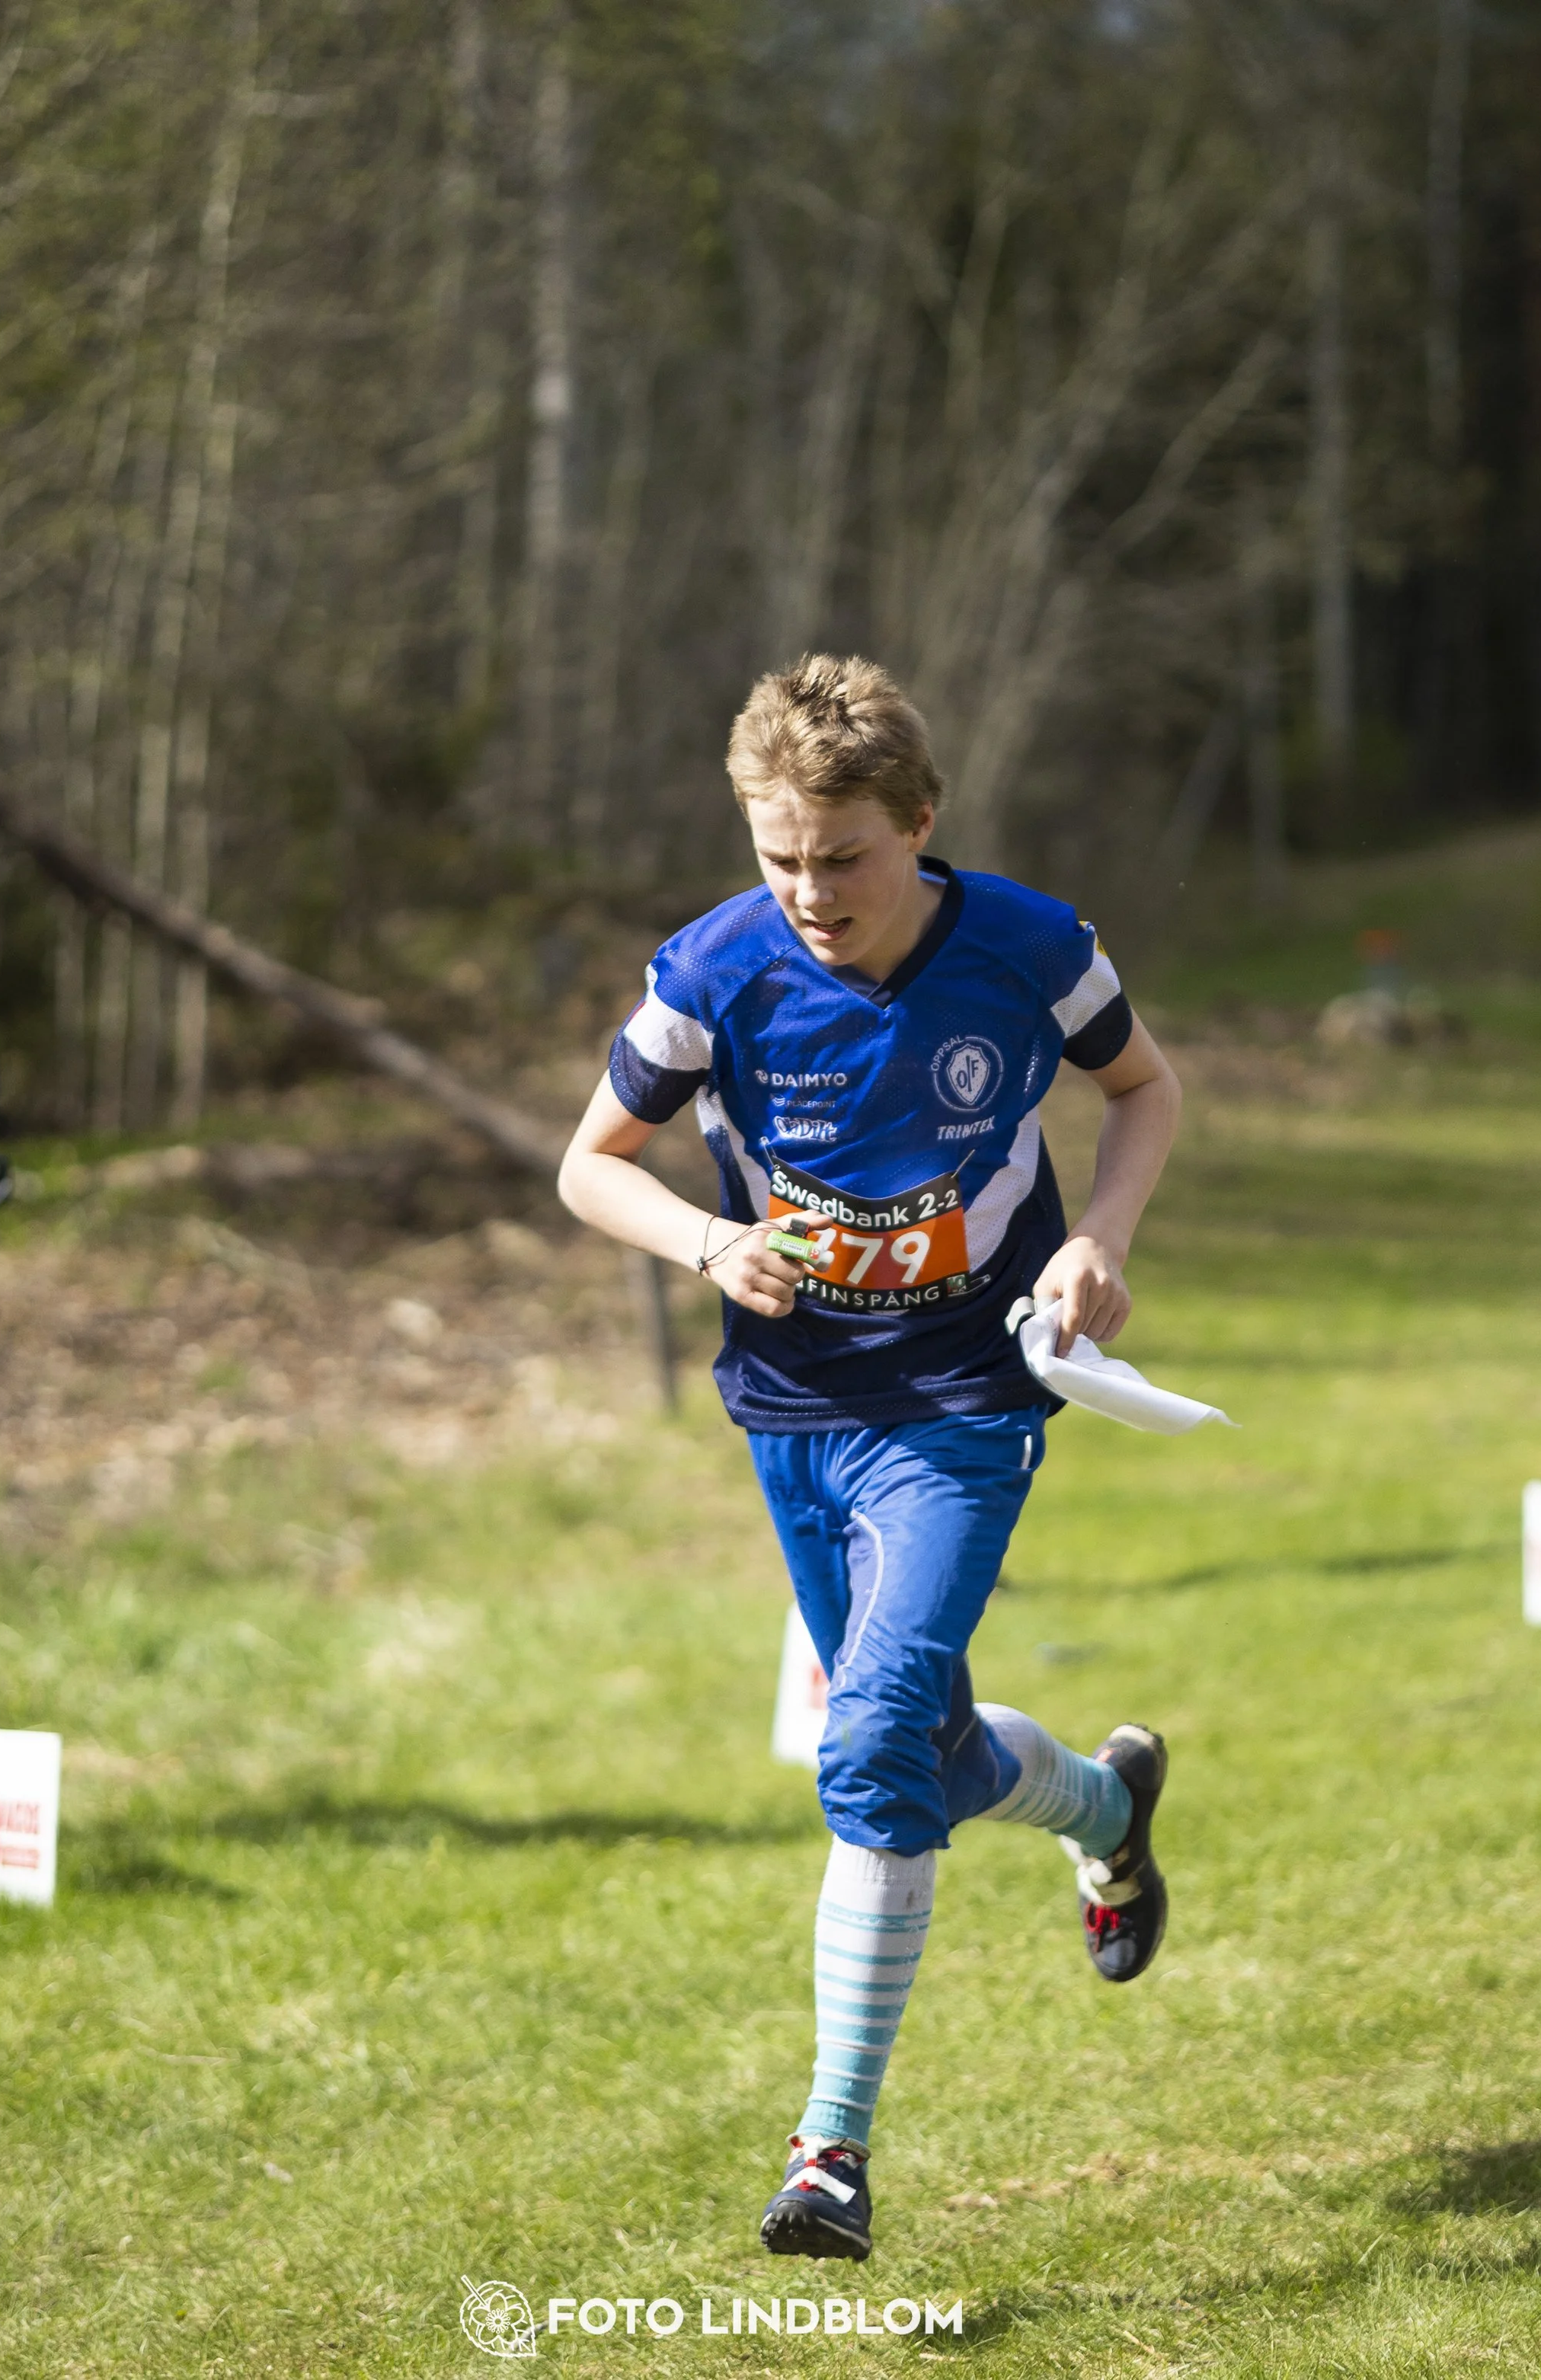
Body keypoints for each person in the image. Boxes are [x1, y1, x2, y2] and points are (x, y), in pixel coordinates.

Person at [558, 655, 1181, 2260]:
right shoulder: (711, 971)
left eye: (840, 856)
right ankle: (1105, 1805)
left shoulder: (1032, 947)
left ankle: (827, 2151)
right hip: (792, 1403)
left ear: (918, 823)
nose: (809, 893)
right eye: (778, 858)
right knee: (908, 1748)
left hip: (968, 1395)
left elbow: (1141, 1090)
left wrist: (1096, 1241)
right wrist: (707, 1242)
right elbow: (589, 1166)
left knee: (864, 1749)